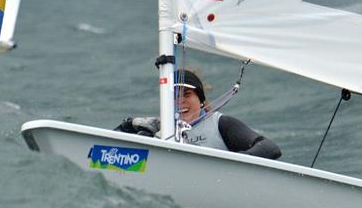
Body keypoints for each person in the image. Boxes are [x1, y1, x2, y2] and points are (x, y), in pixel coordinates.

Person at [116, 69, 281, 160]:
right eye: (173, 96)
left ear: (200, 99)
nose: (180, 101)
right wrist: (129, 125)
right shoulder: (158, 131)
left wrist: (233, 162)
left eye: (186, 94)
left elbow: (270, 148)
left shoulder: (221, 124)